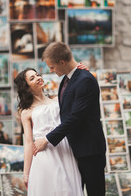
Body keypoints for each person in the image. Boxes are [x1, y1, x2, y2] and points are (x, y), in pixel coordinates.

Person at [33, 42, 106, 196]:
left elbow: (75, 118)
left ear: (62, 62)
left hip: (89, 150)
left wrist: (46, 139)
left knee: (95, 192)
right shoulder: (68, 78)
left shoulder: (85, 80)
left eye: (52, 67)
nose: (51, 71)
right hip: (74, 150)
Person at [14, 67, 85, 196]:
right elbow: (29, 143)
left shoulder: (58, 100)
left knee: (68, 189)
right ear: (26, 87)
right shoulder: (26, 112)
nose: (38, 78)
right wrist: (26, 173)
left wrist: (79, 71)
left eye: (37, 75)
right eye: (32, 78)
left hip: (65, 150)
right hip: (45, 155)